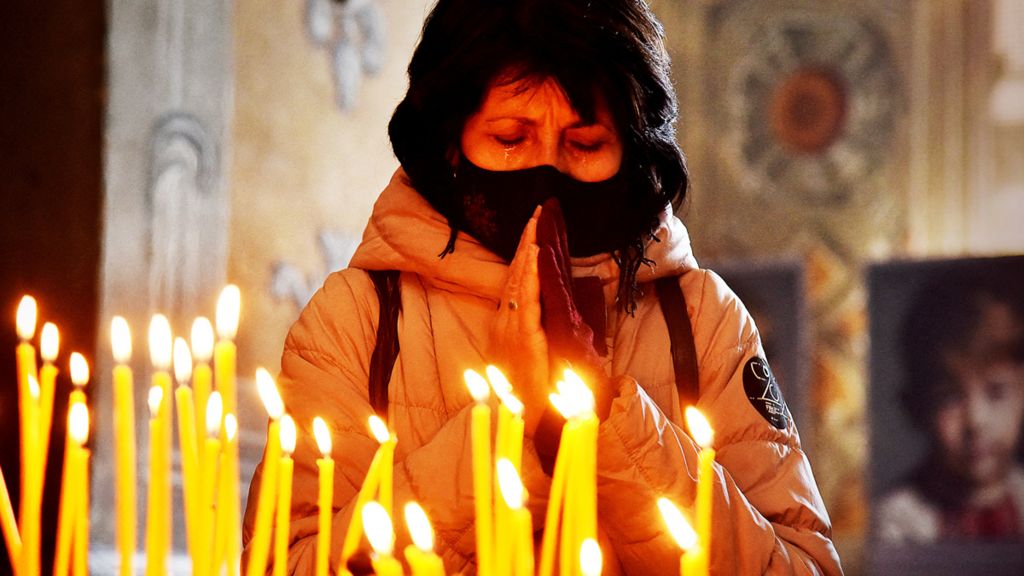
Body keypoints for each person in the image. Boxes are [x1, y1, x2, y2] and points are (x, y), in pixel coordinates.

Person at [243, 0, 842, 573]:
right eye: (510, 139)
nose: (546, 172)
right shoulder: (358, 321)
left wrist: (609, 421)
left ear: (630, 153)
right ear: (453, 144)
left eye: (585, 145)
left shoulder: (702, 320)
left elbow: (802, 567)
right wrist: (505, 427)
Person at [876, 270, 1024, 544]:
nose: (976, 421)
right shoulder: (900, 520)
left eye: (996, 392)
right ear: (918, 408)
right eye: (949, 398)